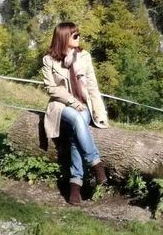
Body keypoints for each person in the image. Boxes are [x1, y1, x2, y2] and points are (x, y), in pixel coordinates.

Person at [42, 21, 110, 204]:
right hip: (61, 107)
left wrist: (100, 114)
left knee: (76, 134)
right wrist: (72, 101)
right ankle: (96, 164)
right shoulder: (49, 60)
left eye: (78, 34)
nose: (79, 37)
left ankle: (75, 187)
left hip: (84, 106)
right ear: (64, 38)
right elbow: (51, 88)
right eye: (75, 35)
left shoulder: (84, 56)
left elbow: (93, 87)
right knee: (76, 119)